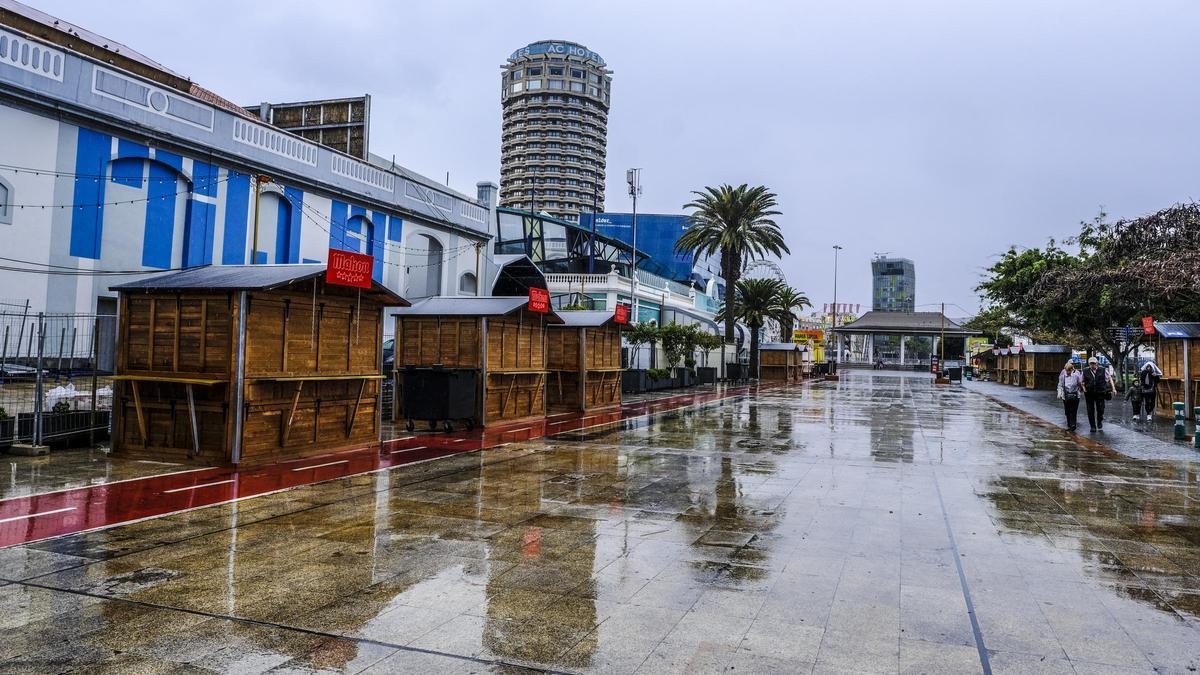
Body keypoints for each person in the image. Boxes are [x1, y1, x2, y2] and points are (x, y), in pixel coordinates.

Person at [1081, 356, 1116, 431]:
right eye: (1091, 364)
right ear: (1089, 364)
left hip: (1100, 392)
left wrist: (1113, 389)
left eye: (1094, 363)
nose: (1092, 365)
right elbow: (1082, 381)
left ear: (1097, 363)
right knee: (1090, 410)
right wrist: (1084, 389)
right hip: (1089, 393)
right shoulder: (1085, 371)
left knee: (1100, 409)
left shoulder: (1103, 370)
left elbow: (1109, 378)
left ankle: (1099, 420)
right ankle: (1092, 426)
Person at [1057, 360, 1084, 432]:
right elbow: (1060, 386)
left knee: (1074, 411)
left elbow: (1080, 384)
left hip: (1075, 396)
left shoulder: (1076, 376)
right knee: (1067, 411)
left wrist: (1081, 389)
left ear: (1072, 369)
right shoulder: (1062, 377)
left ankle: (1073, 425)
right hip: (1066, 396)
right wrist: (1059, 394)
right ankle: (1069, 424)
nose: (1068, 372)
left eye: (1069, 370)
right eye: (1067, 370)